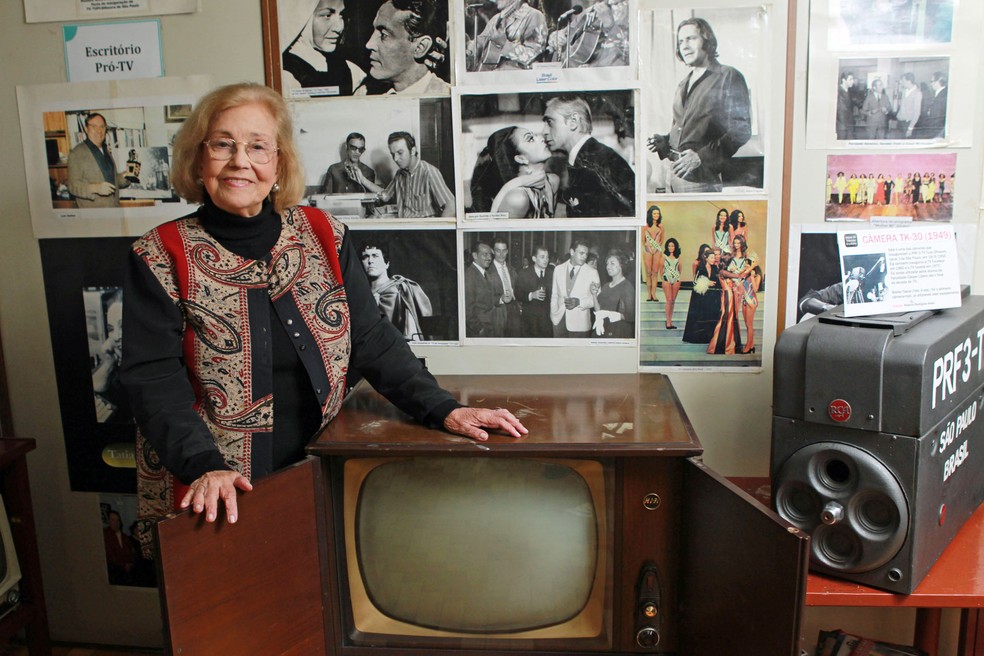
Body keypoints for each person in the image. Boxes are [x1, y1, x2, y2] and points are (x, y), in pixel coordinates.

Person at [120, 83, 526, 528]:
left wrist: (443, 408)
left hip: (320, 466)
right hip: (213, 483)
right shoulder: (159, 254)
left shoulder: (323, 233)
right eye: (223, 144)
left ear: (279, 164)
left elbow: (370, 338)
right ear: (199, 160)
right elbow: (153, 380)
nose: (240, 161)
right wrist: (203, 465)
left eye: (258, 146)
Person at [646, 17, 751, 192]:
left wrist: (701, 157)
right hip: (670, 174)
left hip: (700, 179)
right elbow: (687, 131)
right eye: (680, 41)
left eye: (691, 38)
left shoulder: (728, 76)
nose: (684, 46)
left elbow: (741, 129)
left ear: (707, 41)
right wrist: (664, 141)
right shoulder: (683, 83)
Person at [542, 96, 635, 217]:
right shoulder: (590, 156)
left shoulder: (595, 163)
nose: (544, 131)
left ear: (573, 121)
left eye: (549, 122)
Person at [351, 131, 456, 218]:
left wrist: (437, 233)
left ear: (413, 151)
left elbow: (451, 206)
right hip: (404, 231)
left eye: (400, 153)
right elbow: (385, 196)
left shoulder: (429, 172)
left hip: (424, 234)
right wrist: (363, 179)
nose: (396, 159)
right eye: (393, 154)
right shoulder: (400, 174)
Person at [357, 0, 451, 95]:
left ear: (420, 47)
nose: (369, 44)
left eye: (383, 35)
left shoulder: (450, 101)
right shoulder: (362, 94)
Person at [281, 0, 367, 95]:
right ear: (303, 18)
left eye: (341, 15)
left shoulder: (352, 71)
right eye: (327, 16)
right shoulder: (285, 74)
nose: (339, 28)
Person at [469, 126, 558, 217]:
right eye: (530, 139)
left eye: (535, 136)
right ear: (521, 159)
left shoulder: (553, 181)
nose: (541, 138)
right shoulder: (517, 198)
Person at [359, 242, 433, 341]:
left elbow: (411, 332)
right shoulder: (360, 293)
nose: (370, 261)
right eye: (365, 257)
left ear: (387, 263)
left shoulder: (401, 288)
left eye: (375, 256)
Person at [67, 112, 130, 208]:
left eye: (102, 127)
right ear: (86, 129)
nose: (98, 131)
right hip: (94, 214)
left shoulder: (105, 150)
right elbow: (72, 186)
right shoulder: (76, 153)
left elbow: (110, 180)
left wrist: (126, 176)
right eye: (94, 126)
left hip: (114, 209)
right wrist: (95, 188)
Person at [466, 0, 547, 72]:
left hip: (518, 80)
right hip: (490, 78)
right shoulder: (496, 19)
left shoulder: (534, 15)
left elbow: (533, 55)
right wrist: (470, 49)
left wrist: (505, 44)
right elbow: (481, 41)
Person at [546, 0, 629, 68]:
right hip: (579, 79)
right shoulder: (591, 10)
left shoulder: (632, 9)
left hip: (614, 80)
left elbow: (630, 52)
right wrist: (556, 37)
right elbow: (567, 32)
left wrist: (610, 25)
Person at [91, 290, 129, 423]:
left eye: (123, 325)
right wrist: (108, 363)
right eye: (111, 329)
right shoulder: (119, 368)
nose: (116, 336)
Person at [707, 234, 748, 355]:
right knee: (727, 318)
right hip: (728, 295)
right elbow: (739, 276)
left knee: (730, 318)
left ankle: (729, 344)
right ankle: (722, 345)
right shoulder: (724, 272)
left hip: (729, 294)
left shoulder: (722, 271)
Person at [550, 239, 600, 337]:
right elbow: (554, 294)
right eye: (581, 253)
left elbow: (597, 299)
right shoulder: (558, 269)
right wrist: (553, 313)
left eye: (586, 254)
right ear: (572, 252)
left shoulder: (592, 272)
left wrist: (579, 302)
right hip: (558, 321)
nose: (585, 256)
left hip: (580, 324)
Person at [464, 241, 506, 337]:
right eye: (485, 254)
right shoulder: (470, 275)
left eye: (490, 255)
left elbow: (488, 299)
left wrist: (501, 299)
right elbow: (467, 309)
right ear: (475, 255)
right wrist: (479, 329)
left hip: (491, 327)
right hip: (480, 331)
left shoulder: (485, 273)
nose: (489, 258)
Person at [590, 249, 634, 338]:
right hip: (602, 328)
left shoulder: (627, 287)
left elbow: (631, 315)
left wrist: (613, 315)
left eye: (612, 263)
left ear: (621, 265)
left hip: (618, 331)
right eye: (607, 264)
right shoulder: (606, 286)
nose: (608, 267)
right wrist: (594, 294)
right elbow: (598, 310)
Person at [682, 244, 720, 344]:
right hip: (701, 297)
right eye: (711, 257)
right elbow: (696, 281)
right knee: (701, 316)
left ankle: (709, 337)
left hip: (712, 297)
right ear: (706, 258)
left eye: (714, 257)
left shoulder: (715, 268)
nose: (713, 259)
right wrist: (707, 283)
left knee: (710, 316)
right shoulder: (701, 268)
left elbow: (717, 281)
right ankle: (700, 338)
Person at [514, 245, 554, 338]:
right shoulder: (523, 273)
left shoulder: (552, 273)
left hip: (547, 321)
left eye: (547, 257)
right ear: (534, 258)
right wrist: (531, 295)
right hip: (529, 321)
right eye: (542, 257)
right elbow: (517, 294)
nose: (546, 260)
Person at [490, 238, 522, 337]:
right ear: (492, 251)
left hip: (514, 312)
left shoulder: (512, 269)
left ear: (507, 251)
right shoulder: (487, 271)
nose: (501, 254)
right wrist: (500, 299)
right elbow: (484, 297)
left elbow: (518, 290)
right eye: (498, 250)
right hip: (498, 313)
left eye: (504, 250)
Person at [103, 510, 136, 585]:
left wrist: (130, 563)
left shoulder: (124, 537)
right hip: (114, 571)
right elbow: (109, 554)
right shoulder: (106, 536)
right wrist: (122, 564)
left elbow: (131, 551)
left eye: (117, 520)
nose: (116, 522)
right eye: (113, 520)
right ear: (109, 521)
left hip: (127, 571)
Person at [641, 205, 664, 302]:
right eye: (654, 213)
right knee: (648, 272)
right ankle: (649, 294)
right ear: (650, 214)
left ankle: (654, 294)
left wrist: (656, 247)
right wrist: (648, 247)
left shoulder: (661, 226)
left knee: (655, 273)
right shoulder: (645, 226)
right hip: (647, 250)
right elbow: (643, 240)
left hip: (657, 250)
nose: (656, 215)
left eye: (658, 213)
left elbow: (662, 239)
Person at [914, 72, 947, 139]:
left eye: (932, 81)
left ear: (938, 81)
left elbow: (936, 119)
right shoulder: (942, 93)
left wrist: (926, 132)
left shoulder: (941, 97)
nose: (931, 84)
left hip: (934, 132)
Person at [660, 238, 681, 330]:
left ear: (675, 247)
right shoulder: (664, 256)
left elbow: (680, 269)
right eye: (669, 245)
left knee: (673, 301)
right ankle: (668, 322)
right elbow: (661, 268)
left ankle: (670, 320)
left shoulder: (678, 257)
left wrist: (677, 278)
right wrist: (663, 278)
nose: (670, 247)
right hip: (667, 279)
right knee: (669, 300)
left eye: (672, 246)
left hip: (676, 279)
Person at [894, 72, 922, 139]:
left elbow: (916, 113)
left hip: (907, 124)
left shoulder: (917, 93)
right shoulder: (904, 91)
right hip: (899, 122)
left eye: (903, 81)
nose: (901, 83)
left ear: (909, 81)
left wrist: (910, 128)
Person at [836, 70, 856, 140]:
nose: (853, 81)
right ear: (844, 80)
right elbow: (841, 112)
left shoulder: (848, 91)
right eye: (850, 79)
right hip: (842, 127)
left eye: (853, 79)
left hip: (848, 126)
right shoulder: (839, 92)